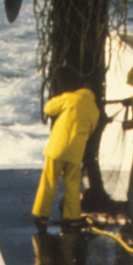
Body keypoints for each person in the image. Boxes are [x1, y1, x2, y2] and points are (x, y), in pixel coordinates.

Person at [32, 87, 100, 231]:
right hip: (76, 152)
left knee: (50, 180)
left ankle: (42, 216)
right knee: (73, 184)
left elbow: (48, 108)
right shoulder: (95, 110)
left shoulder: (71, 97)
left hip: (58, 148)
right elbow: (91, 129)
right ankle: (72, 218)